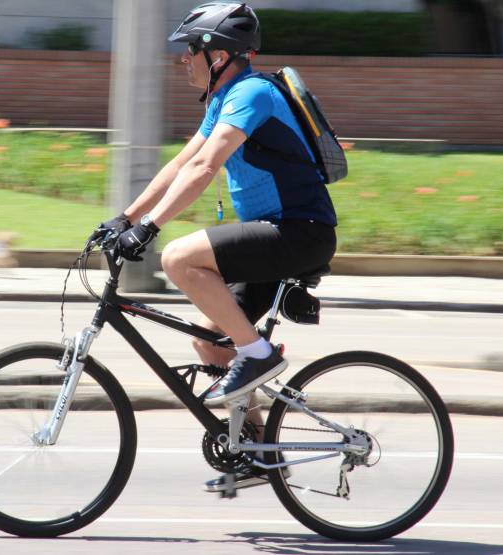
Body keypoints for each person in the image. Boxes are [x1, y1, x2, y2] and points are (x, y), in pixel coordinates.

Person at [94, 2, 337, 492]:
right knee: (210, 340)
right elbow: (182, 164)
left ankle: (260, 354)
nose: (184, 59)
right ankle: (257, 451)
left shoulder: (251, 93)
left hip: (299, 229)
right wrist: (126, 218)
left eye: (191, 50)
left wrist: (152, 230)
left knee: (179, 258)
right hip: (276, 232)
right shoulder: (224, 98)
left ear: (219, 55)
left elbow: (206, 169)